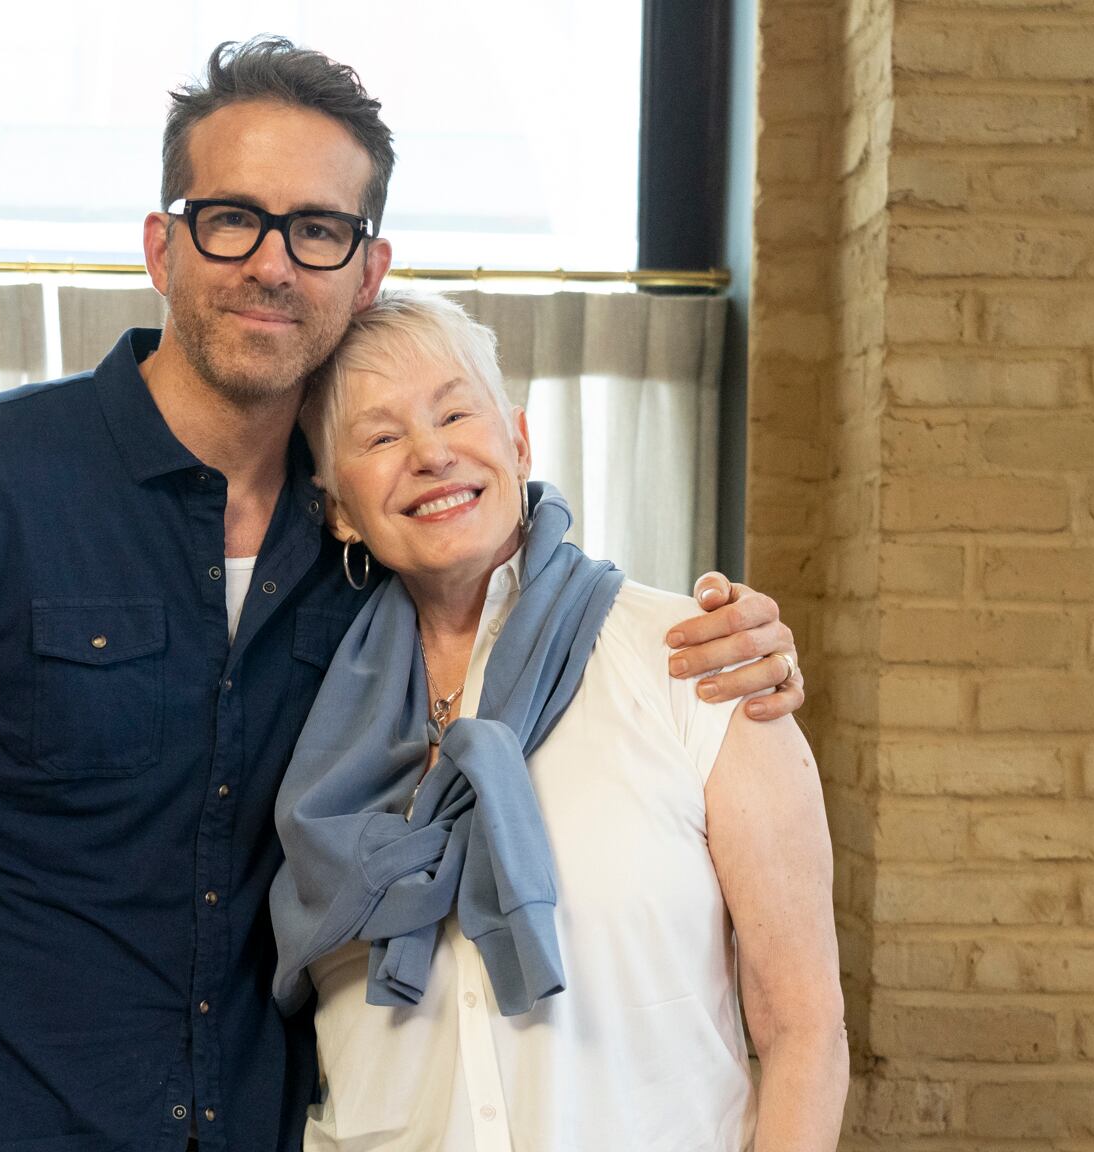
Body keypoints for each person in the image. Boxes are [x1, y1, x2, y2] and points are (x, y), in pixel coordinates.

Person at [0, 37, 806, 1152]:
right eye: (231, 219)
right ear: (161, 247)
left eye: (317, 229)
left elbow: (522, 577)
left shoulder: (372, 534)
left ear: (368, 268)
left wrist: (733, 638)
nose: (272, 263)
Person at [266, 290, 846, 1150]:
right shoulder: (300, 722)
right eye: (381, 438)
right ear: (339, 508)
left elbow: (804, 1030)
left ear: (519, 442)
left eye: (454, 413)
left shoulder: (698, 660)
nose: (430, 454)